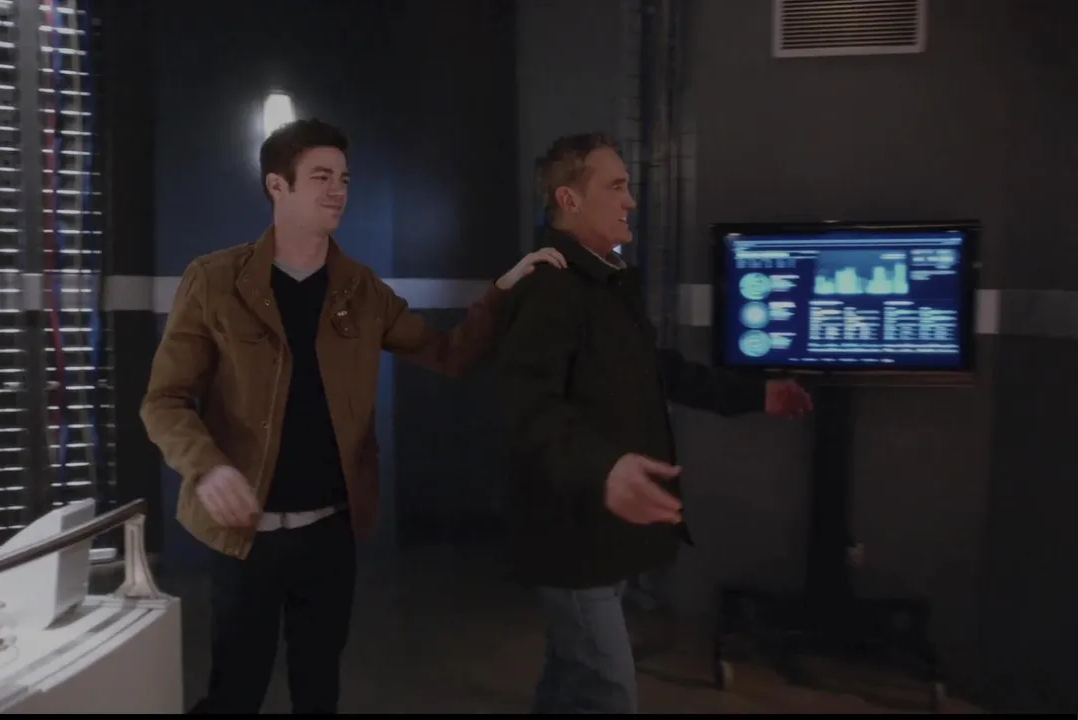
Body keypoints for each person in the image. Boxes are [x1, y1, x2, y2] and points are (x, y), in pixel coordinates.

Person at [140, 118, 565, 715]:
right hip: (245, 536)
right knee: (236, 691)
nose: (338, 190)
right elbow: (164, 401)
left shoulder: (360, 290)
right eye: (321, 177)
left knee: (319, 687)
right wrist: (207, 467)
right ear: (277, 186)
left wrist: (504, 290)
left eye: (343, 178)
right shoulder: (214, 281)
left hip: (329, 531)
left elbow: (449, 353)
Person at [497, 132, 813, 714]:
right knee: (609, 693)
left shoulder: (608, 283)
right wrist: (606, 468)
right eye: (616, 187)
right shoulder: (551, 289)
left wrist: (756, 395)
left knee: (571, 672)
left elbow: (656, 369)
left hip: (601, 529)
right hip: (571, 538)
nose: (631, 201)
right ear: (569, 199)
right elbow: (528, 406)